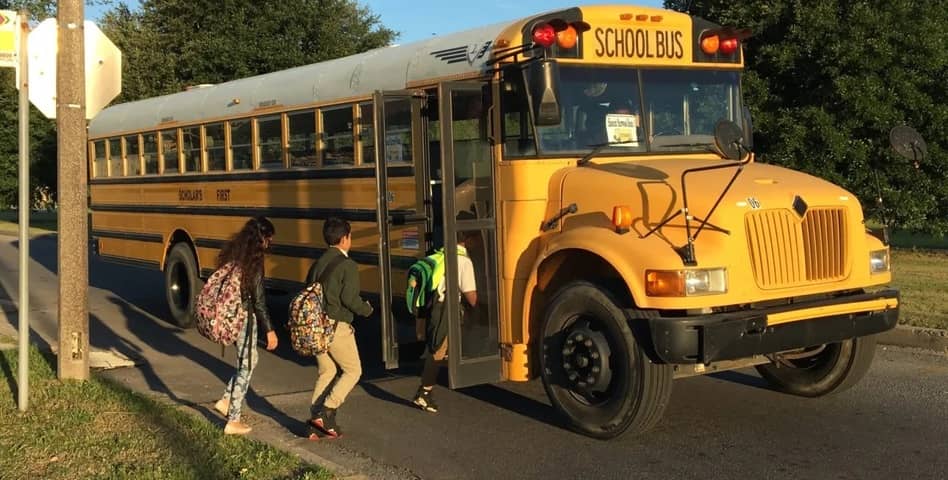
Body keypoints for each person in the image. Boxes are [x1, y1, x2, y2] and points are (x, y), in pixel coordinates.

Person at [306, 217, 373, 438]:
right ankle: (328, 410)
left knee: (328, 371)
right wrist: (367, 310)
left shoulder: (317, 264)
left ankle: (315, 419)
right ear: (345, 238)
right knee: (353, 370)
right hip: (336, 328)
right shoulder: (348, 265)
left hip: (315, 327)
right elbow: (349, 298)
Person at [212, 216, 279, 435]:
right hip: (245, 319)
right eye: (269, 239)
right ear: (262, 239)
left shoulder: (233, 253)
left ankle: (225, 399)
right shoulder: (254, 262)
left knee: (247, 361)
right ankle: (233, 418)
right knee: (247, 365)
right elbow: (258, 300)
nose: (270, 244)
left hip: (230, 317)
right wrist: (270, 330)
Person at [412, 229, 478, 413]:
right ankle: (423, 393)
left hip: (435, 308)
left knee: (439, 349)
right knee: (437, 352)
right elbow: (472, 297)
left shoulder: (441, 255)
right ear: (467, 239)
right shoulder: (463, 261)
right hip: (445, 310)